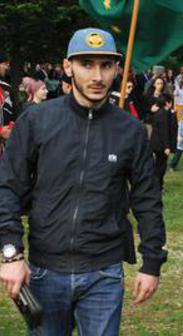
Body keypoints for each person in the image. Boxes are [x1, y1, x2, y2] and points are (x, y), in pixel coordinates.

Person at [0, 27, 167, 335]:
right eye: (86, 64)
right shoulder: (37, 121)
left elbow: (147, 198)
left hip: (103, 273)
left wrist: (152, 261)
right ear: (68, 67)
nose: (97, 76)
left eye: (105, 65)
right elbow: (7, 187)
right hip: (44, 271)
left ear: (117, 68)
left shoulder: (130, 130)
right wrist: (11, 252)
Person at [150, 94, 173, 192]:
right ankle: (157, 186)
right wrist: (166, 146)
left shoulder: (158, 113)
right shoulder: (163, 114)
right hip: (160, 145)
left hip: (155, 143)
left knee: (159, 165)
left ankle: (158, 185)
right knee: (161, 166)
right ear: (167, 103)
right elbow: (164, 131)